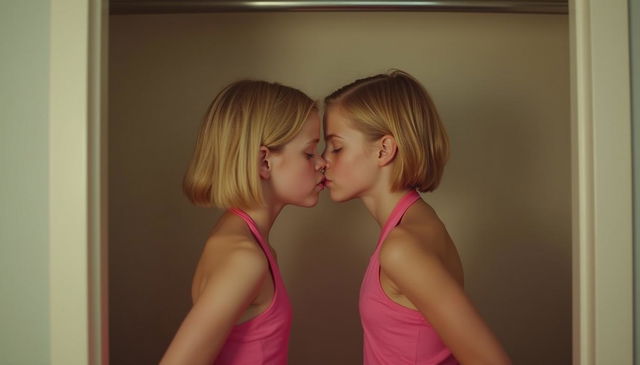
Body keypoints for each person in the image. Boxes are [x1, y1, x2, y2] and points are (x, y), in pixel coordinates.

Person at [322, 70, 511, 365]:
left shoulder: (403, 247)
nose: (323, 160)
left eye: (336, 147)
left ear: (384, 149)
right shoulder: (414, 224)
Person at [160, 80, 326, 365]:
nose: (322, 163)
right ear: (264, 162)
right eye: (309, 153)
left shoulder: (244, 238)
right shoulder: (244, 259)